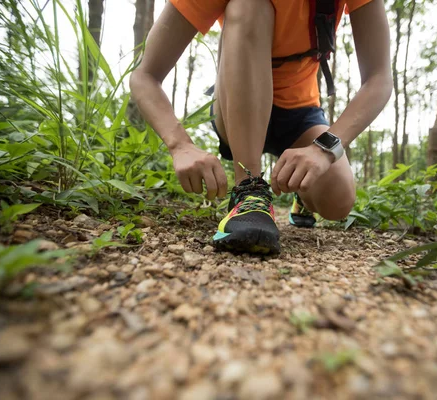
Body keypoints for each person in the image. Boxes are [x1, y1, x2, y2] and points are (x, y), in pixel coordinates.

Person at [130, 0, 392, 254]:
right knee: (249, 4)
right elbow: (145, 75)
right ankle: (248, 191)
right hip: (237, 105)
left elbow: (379, 78)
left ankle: (301, 196)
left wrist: (323, 149)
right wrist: (180, 145)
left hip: (301, 112)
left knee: (338, 201)